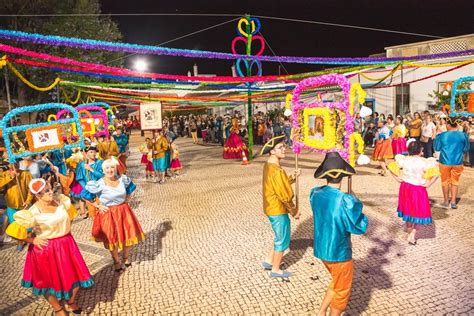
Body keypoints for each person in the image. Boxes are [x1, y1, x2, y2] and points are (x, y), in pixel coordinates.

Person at [6, 178, 93, 315]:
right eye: (47, 191)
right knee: (47, 282)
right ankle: (58, 308)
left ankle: (70, 302)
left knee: (76, 275)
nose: (51, 192)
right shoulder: (32, 212)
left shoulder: (61, 202)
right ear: (37, 195)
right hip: (45, 249)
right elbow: (13, 232)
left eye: (51, 189)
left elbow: (69, 217)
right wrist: (32, 240)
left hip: (67, 245)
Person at [310, 152, 368, 316]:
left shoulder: (315, 193)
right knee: (342, 290)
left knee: (337, 281)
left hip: (322, 249)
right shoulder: (346, 200)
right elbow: (359, 226)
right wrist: (356, 202)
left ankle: (321, 312)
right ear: (343, 175)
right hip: (339, 252)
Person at [85, 158, 144, 272]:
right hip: (108, 213)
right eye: (107, 168)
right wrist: (98, 206)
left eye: (112, 167)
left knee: (128, 235)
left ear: (116, 168)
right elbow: (85, 195)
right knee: (112, 238)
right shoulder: (99, 183)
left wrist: (126, 199)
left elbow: (131, 188)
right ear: (103, 170)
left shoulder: (123, 179)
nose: (110, 170)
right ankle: (116, 260)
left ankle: (126, 258)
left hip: (123, 211)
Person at [260, 135, 300, 279]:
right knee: (282, 239)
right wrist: (294, 211)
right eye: (280, 147)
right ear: (271, 151)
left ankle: (269, 261)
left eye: (284, 146)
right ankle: (275, 270)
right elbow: (285, 195)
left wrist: (292, 178)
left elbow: (278, 184)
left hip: (271, 207)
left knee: (279, 236)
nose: (284, 149)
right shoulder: (276, 170)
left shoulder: (269, 165)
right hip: (277, 209)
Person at [388, 140, 440, 244]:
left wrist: (398, 179)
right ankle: (413, 234)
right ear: (420, 150)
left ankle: (409, 230)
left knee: (407, 208)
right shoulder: (425, 162)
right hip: (418, 188)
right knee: (419, 211)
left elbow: (391, 168)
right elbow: (436, 174)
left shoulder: (404, 160)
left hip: (405, 187)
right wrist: (428, 184)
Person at [434, 117, 470, 209]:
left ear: (449, 125)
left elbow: (437, 148)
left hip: (445, 161)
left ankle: (446, 201)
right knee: (455, 181)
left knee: (445, 181)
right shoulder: (463, 135)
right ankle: (453, 202)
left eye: (446, 124)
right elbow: (466, 149)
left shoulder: (442, 135)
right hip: (458, 161)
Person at [0, 164, 33, 251]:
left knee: (28, 226)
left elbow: (31, 189)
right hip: (11, 206)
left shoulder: (26, 174)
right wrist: (11, 177)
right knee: (16, 226)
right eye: (12, 162)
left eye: (17, 162)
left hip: (24, 205)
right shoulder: (4, 175)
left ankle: (30, 241)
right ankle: (20, 241)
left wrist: (28, 201)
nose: (15, 164)